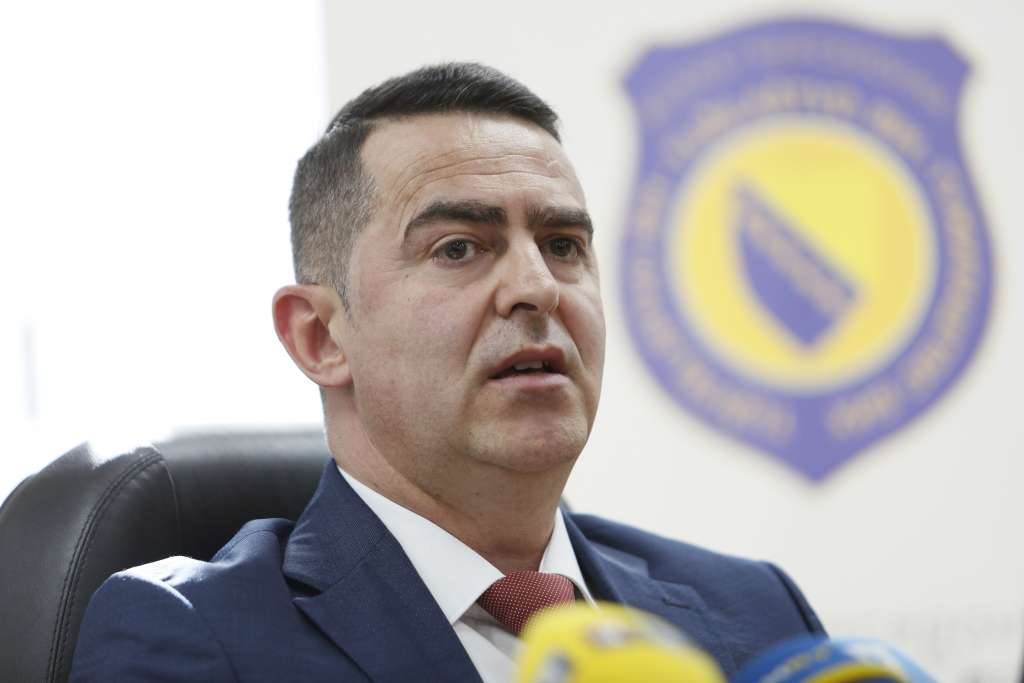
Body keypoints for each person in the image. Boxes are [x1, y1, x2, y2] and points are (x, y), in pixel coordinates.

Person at [70, 63, 824, 682]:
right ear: (320, 336)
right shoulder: (198, 640)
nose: (537, 287)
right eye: (458, 248)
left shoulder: (758, 615)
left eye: (563, 245)